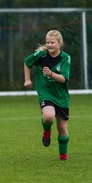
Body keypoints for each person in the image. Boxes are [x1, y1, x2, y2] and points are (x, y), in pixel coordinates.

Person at [24, 30, 71, 161]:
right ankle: (46, 131)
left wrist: (51, 74)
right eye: (47, 42)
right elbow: (27, 62)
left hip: (61, 96)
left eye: (52, 42)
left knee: (62, 127)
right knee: (49, 116)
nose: (49, 45)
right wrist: (27, 79)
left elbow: (63, 79)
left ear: (59, 43)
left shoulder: (65, 58)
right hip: (45, 92)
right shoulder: (41, 54)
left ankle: (63, 154)